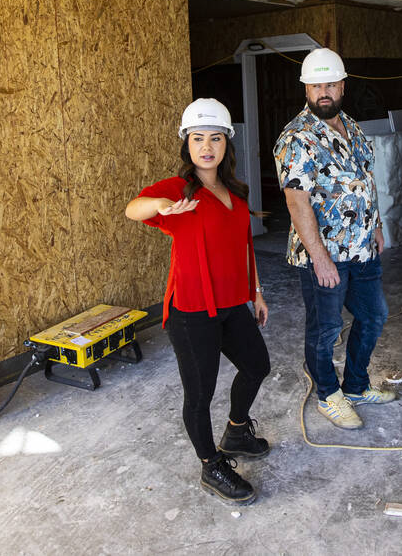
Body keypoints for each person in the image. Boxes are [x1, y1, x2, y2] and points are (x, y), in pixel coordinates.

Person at [125, 98, 271, 505]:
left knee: (258, 366)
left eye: (215, 138)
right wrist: (161, 207)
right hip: (191, 312)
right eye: (197, 138)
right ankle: (211, 464)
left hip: (231, 305)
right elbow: (133, 209)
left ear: (226, 143)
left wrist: (255, 292)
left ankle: (237, 430)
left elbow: (244, 247)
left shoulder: (235, 193)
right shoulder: (177, 190)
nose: (206, 146)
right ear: (187, 144)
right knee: (200, 394)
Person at [273, 48, 395, 430]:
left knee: (374, 316)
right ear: (306, 89)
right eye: (316, 86)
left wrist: (375, 225)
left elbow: (366, 178)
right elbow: (297, 202)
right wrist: (320, 258)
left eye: (330, 84)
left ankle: (356, 386)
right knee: (325, 329)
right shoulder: (296, 138)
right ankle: (328, 394)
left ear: (342, 85)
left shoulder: (352, 126)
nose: (323, 91)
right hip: (324, 254)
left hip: (362, 247)